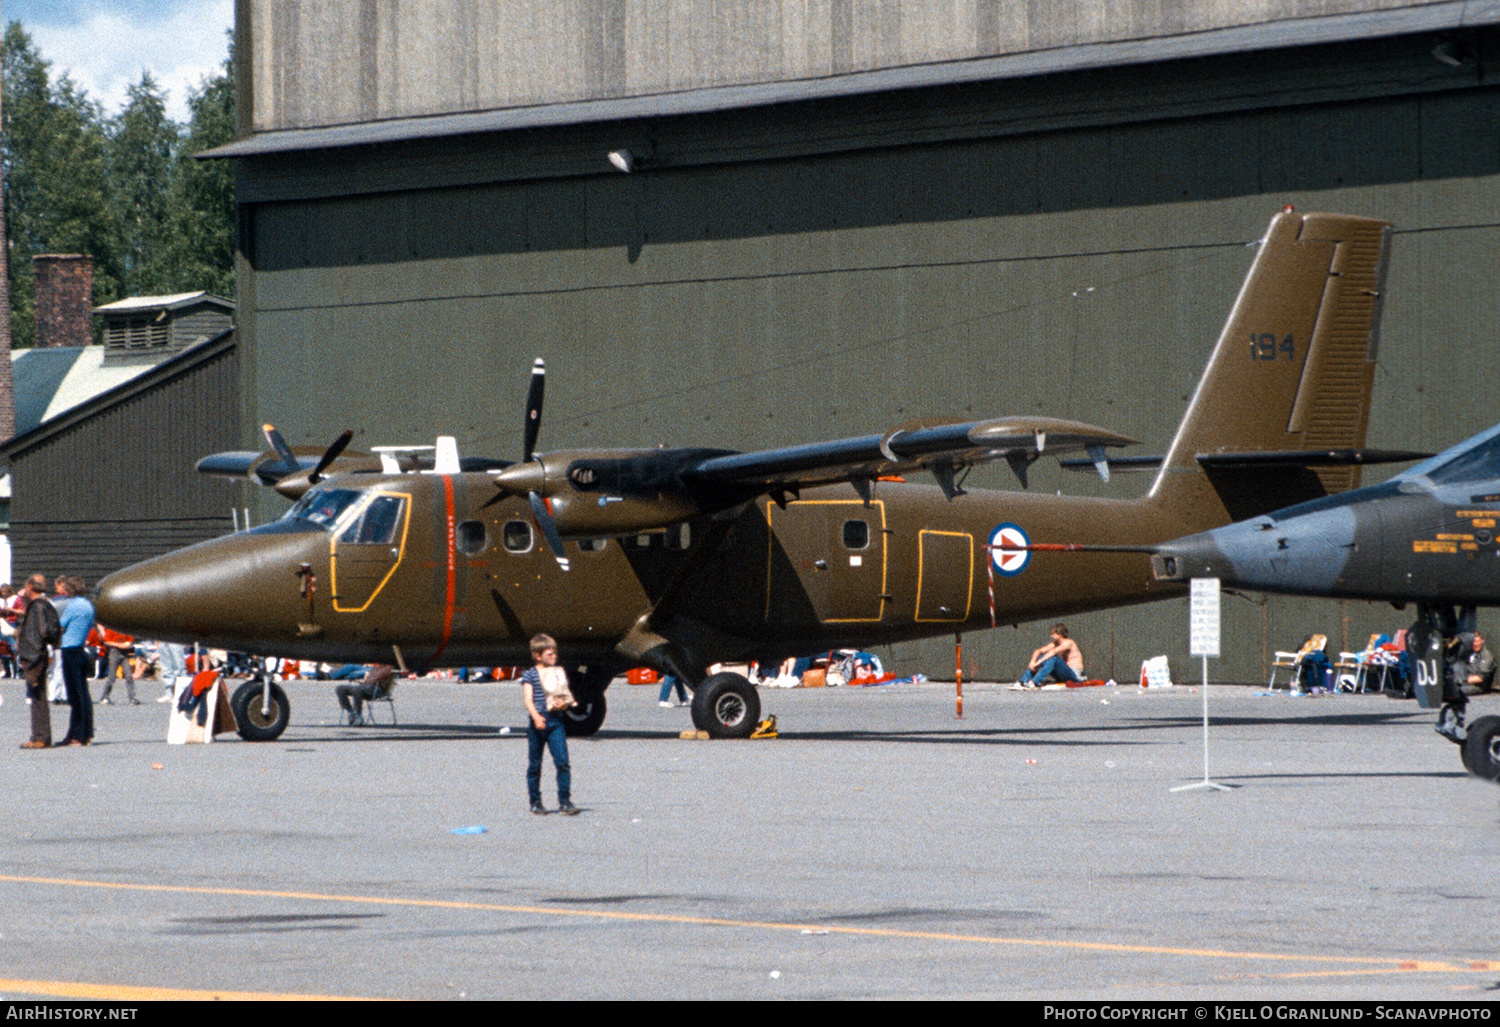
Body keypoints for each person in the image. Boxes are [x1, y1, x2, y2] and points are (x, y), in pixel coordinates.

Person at [521, 634, 578, 815]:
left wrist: (564, 704)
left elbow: (562, 695)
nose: (554, 657)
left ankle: (565, 801)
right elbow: (528, 700)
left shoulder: (557, 672)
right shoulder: (530, 674)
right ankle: (535, 801)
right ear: (538, 656)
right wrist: (536, 717)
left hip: (556, 721)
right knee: (535, 764)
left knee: (563, 762)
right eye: (549, 654)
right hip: (538, 721)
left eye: (555, 653)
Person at [16, 574, 61, 749]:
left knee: (37, 697)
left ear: (30, 588)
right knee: (38, 696)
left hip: (35, 656)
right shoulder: (45, 604)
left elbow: (40, 633)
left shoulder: (38, 607)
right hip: (40, 654)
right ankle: (40, 735)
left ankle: (41, 737)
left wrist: (30, 658)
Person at [56, 575, 97, 746]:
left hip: (70, 650)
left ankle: (77, 735)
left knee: (75, 696)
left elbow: (60, 625)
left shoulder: (73, 606)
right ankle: (86, 733)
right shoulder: (88, 605)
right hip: (81, 649)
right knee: (84, 695)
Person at [1018, 624, 1084, 687]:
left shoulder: (1069, 642)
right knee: (1040, 656)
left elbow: (1053, 652)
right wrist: (1033, 662)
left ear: (1059, 634)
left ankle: (1035, 682)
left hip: (1074, 674)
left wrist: (1038, 663)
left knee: (1054, 658)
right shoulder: (1055, 643)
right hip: (1062, 675)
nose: (1051, 636)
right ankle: (1023, 681)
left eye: (1053, 634)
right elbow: (1038, 651)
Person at [96, 627, 139, 704]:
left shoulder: (127, 631)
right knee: (112, 677)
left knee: (129, 676)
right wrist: (118, 645)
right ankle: (104, 697)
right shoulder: (111, 630)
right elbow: (106, 641)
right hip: (114, 653)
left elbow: (128, 644)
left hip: (125, 654)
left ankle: (132, 698)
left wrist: (121, 645)